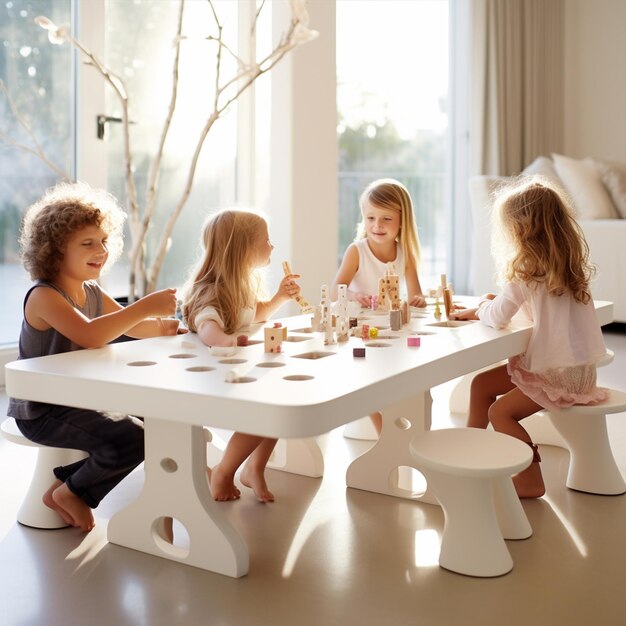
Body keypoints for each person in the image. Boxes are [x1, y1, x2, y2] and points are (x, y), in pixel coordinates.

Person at [8, 181, 181, 532]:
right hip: (43, 410)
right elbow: (91, 335)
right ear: (54, 250)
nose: (100, 250)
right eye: (87, 243)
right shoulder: (44, 296)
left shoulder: (90, 289)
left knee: (158, 417)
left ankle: (65, 487)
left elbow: (128, 327)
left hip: (81, 398)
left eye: (103, 241)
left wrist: (169, 327)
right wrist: (145, 306)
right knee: (133, 437)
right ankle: (73, 491)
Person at [451, 176, 609, 498]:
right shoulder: (566, 264)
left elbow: (497, 318)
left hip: (555, 375)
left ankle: (529, 480)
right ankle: (471, 458)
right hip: (576, 371)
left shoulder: (526, 267)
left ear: (521, 230)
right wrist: (497, 302)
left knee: (501, 412)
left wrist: (483, 305)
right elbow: (544, 310)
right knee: (481, 385)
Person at [181, 208, 302, 503]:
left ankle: (254, 468)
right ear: (244, 249)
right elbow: (207, 327)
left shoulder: (242, 283)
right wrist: (228, 340)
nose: (272, 246)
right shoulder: (211, 290)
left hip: (232, 369)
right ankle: (224, 470)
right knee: (264, 411)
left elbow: (251, 314)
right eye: (266, 241)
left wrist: (279, 299)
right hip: (207, 378)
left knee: (276, 402)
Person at [331, 178, 427, 434]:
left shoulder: (405, 253)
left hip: (390, 329)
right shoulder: (357, 251)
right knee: (364, 378)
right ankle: (384, 431)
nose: (377, 225)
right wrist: (352, 296)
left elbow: (416, 296)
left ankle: (410, 422)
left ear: (401, 220)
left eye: (386, 218)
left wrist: (417, 300)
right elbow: (335, 291)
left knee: (407, 371)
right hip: (361, 330)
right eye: (371, 218)